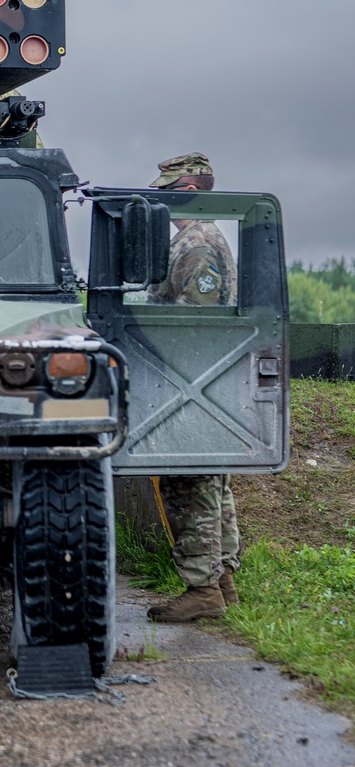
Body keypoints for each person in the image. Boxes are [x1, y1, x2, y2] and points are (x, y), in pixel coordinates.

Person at [144, 153, 242, 623]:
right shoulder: (200, 240)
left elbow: (192, 323)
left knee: (191, 484)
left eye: (163, 193)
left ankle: (203, 587)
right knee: (211, 482)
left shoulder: (197, 243)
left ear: (184, 192)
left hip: (192, 382)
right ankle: (221, 583)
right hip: (204, 383)